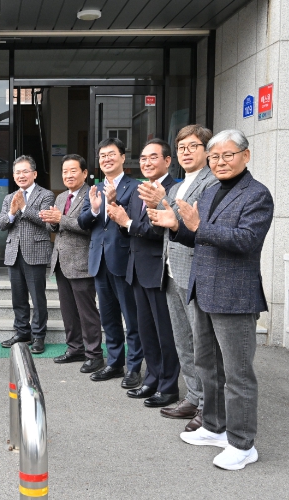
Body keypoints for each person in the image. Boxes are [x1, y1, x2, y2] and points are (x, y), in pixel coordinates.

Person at [149, 129, 273, 470]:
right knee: (207, 365)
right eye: (215, 156)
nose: (220, 162)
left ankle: (243, 443)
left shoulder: (257, 194)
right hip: (202, 289)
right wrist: (176, 226)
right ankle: (215, 427)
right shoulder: (211, 190)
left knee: (238, 374)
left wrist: (196, 227)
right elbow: (195, 236)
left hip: (235, 296)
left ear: (245, 156)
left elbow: (246, 240)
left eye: (228, 155)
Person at [147, 125, 217, 431]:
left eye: (192, 146)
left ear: (207, 151)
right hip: (171, 271)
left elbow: (192, 224)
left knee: (202, 344)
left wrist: (164, 205)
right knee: (183, 340)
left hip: (196, 273)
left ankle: (208, 406)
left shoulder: (212, 182)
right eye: (181, 148)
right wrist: (155, 206)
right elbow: (163, 225)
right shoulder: (176, 188)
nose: (186, 153)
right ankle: (193, 396)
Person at [107, 139, 179, 408]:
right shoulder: (141, 189)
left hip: (159, 271)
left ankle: (169, 387)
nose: (147, 163)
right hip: (136, 269)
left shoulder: (173, 190)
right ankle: (152, 379)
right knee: (146, 330)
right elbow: (132, 227)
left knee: (164, 333)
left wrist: (126, 222)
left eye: (153, 157)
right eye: (143, 158)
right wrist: (120, 217)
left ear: (167, 161)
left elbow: (158, 231)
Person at [78, 138, 143, 389]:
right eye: (102, 155)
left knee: (131, 317)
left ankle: (134, 368)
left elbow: (134, 222)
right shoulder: (94, 188)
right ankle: (115, 363)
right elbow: (83, 222)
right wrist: (95, 210)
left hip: (124, 260)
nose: (106, 159)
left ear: (123, 157)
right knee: (108, 317)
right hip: (99, 260)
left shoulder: (135, 187)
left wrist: (116, 204)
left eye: (111, 154)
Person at [39, 154, 103, 373]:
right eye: (65, 171)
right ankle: (75, 348)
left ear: (84, 173)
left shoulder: (91, 195)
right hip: (60, 261)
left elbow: (88, 226)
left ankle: (94, 354)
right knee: (68, 310)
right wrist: (51, 221)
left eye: (73, 171)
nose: (68, 175)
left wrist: (61, 220)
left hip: (81, 262)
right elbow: (56, 228)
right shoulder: (61, 197)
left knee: (87, 312)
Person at [0, 155, 55, 354]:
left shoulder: (46, 195)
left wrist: (23, 207)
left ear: (34, 174)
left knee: (38, 298)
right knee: (18, 297)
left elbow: (45, 221)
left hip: (36, 252)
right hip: (14, 252)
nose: (21, 176)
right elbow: (2, 224)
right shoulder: (9, 198)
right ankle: (22, 332)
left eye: (25, 171)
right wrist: (12, 212)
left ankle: (38, 335)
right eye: (17, 172)